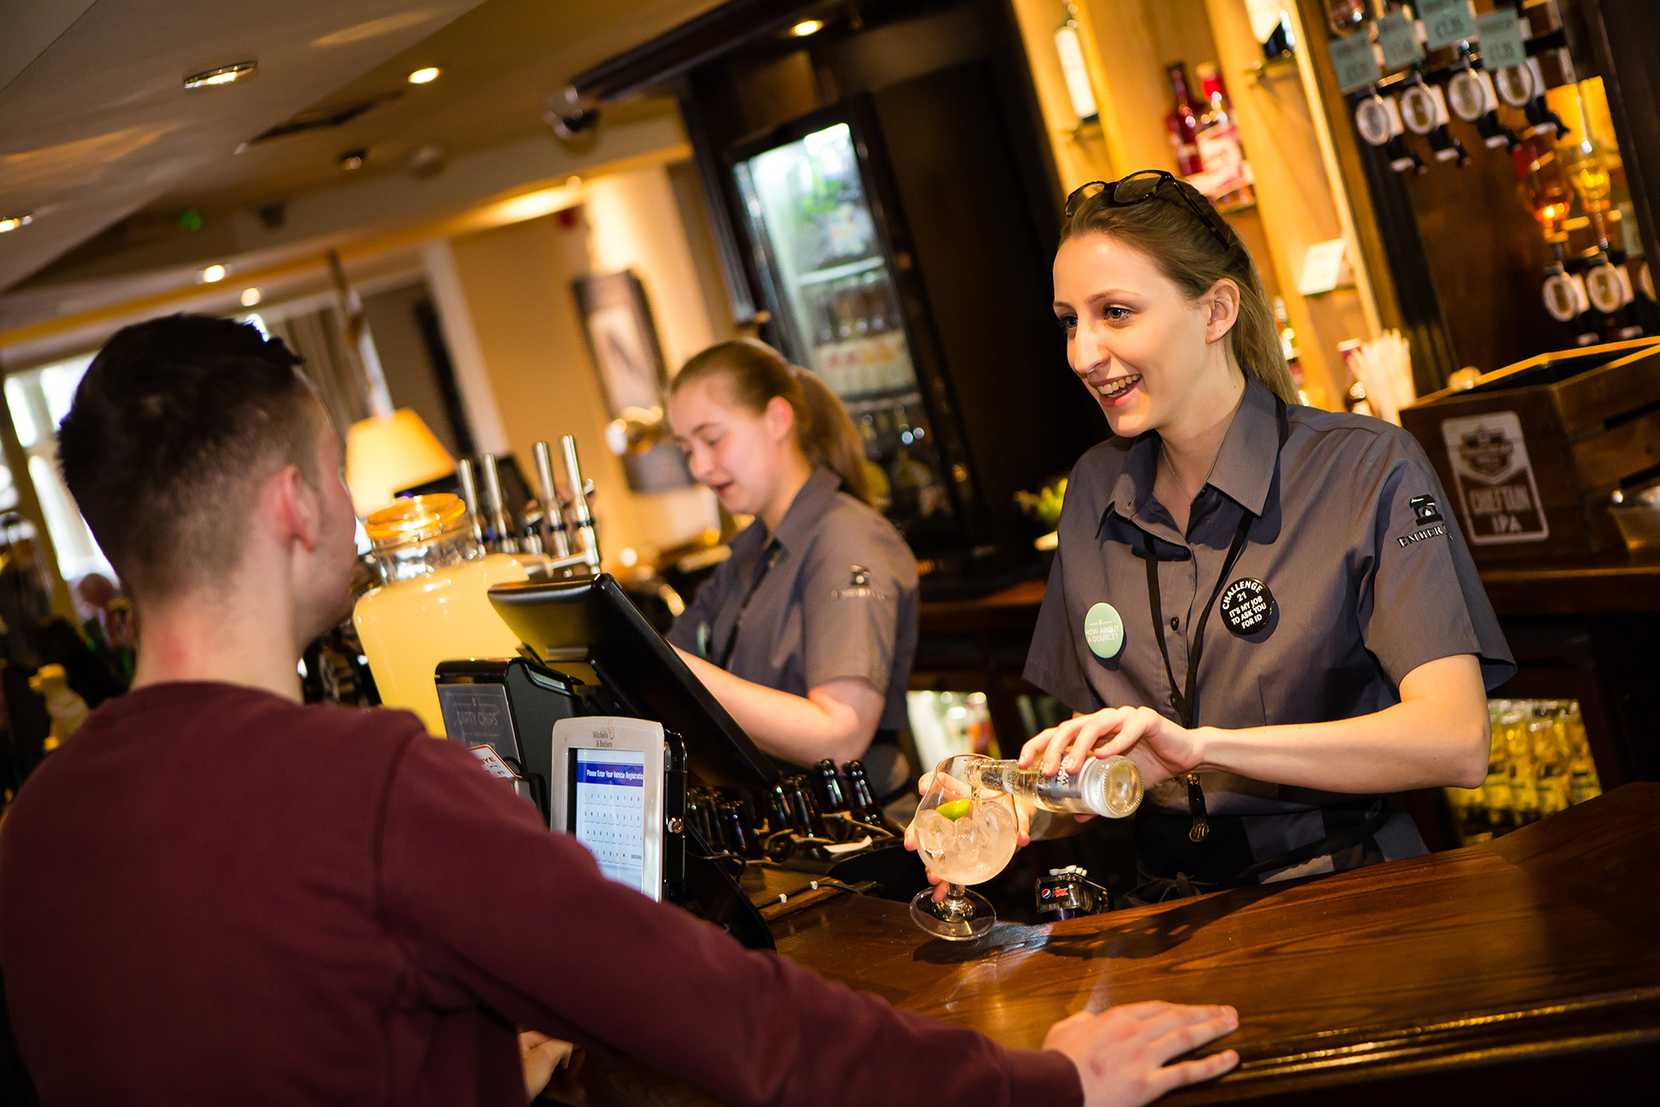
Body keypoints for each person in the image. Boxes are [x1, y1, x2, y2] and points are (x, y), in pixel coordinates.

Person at [0, 314, 1240, 1106]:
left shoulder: (42, 822)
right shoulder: (362, 784)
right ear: (294, 507)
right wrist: (1038, 1085)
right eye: (336, 474)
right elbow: (732, 1027)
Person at [1011, 171, 1513, 897]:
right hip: (1169, 918)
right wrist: (1011, 799)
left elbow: (1456, 740)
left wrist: (1203, 750)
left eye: (1115, 312)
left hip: (1349, 899)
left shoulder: (1366, 467)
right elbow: (1106, 773)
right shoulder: (1095, 486)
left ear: (1216, 310)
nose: (1082, 353)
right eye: (1069, 320)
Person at [665, 339, 919, 793]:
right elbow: (669, 656)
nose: (700, 468)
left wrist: (674, 668)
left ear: (778, 419)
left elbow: (840, 736)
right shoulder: (751, 552)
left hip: (857, 831)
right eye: (687, 449)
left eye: (712, 439)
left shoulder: (845, 537)